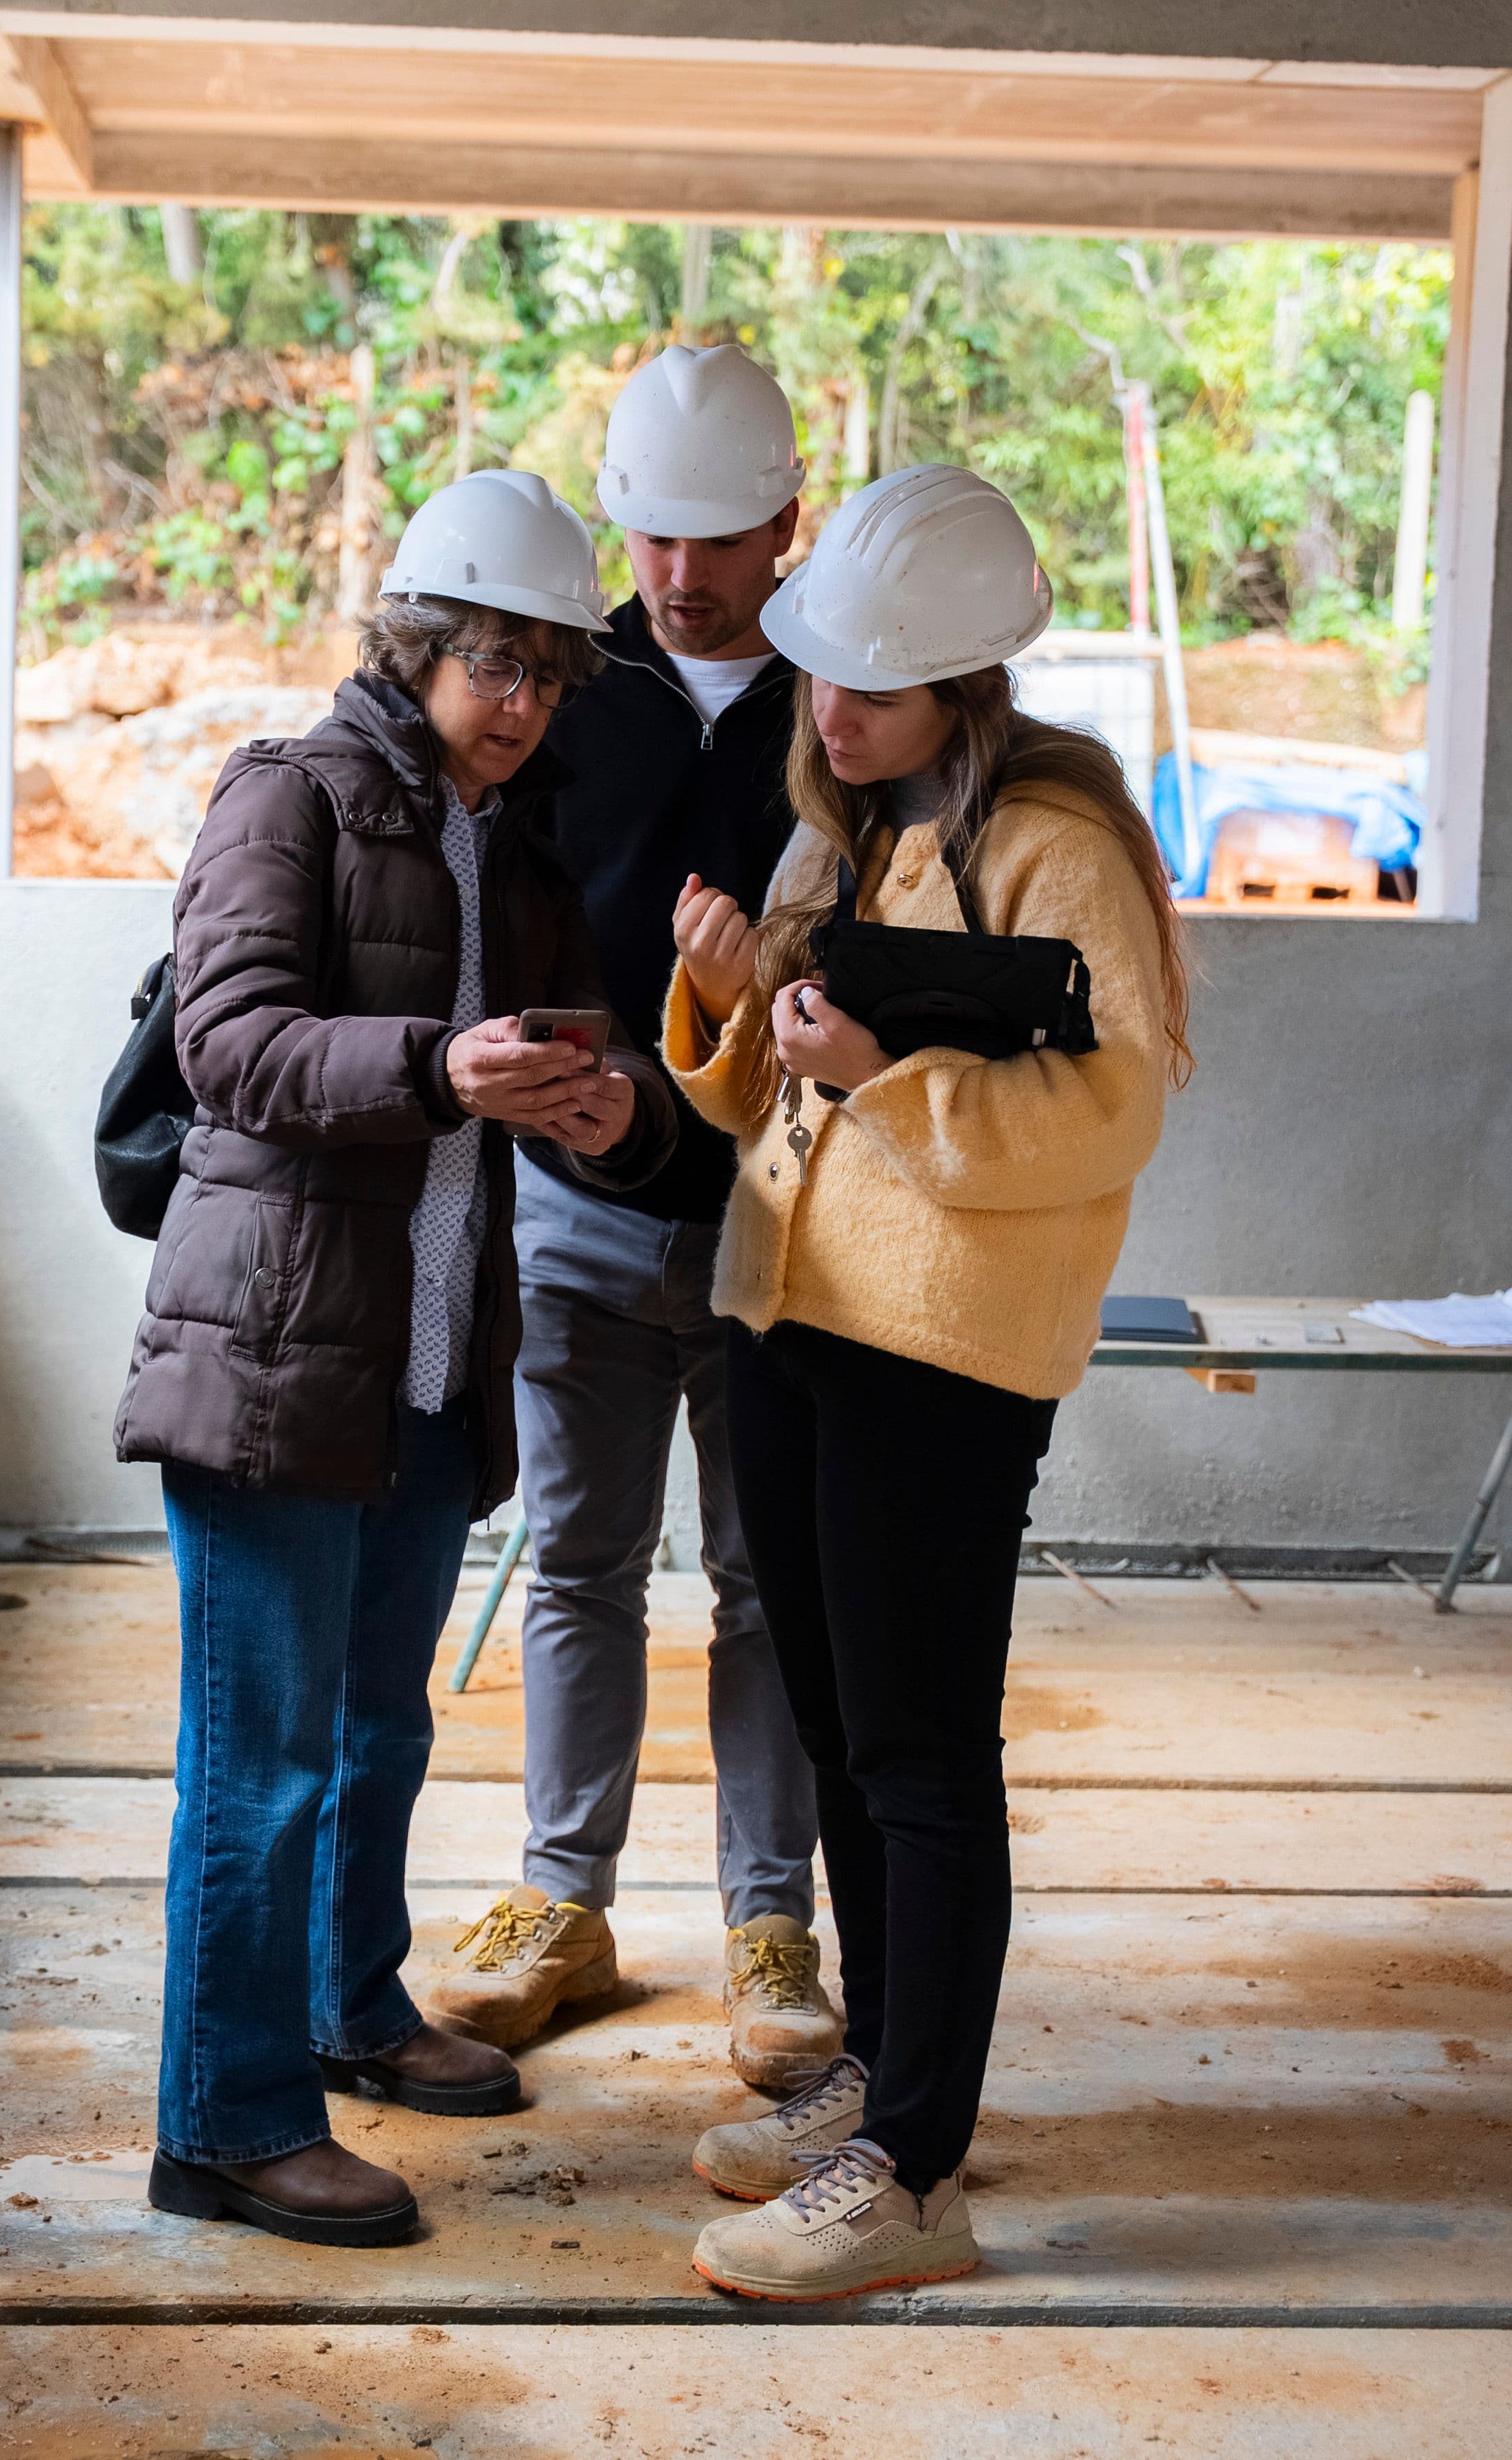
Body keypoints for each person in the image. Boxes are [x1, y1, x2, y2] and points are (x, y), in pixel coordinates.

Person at [115, 468, 676, 2251]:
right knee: (261, 1758)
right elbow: (231, 1047)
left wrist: (605, 1107)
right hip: (280, 1354)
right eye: (492, 665)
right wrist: (440, 1072)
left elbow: (571, 1065)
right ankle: (225, 2120)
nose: (518, 704)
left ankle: (354, 2010)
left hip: (427, 1366)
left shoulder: (510, 840)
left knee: (376, 1729)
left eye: (547, 674)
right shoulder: (287, 796)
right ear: (417, 642)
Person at [663, 464, 1189, 2301]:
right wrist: (730, 1008)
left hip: (940, 1356)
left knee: (921, 1757)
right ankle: (882, 2093)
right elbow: (763, 1100)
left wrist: (888, 1067)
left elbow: (1114, 1104)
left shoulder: (1060, 844)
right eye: (823, 680)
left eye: (872, 691)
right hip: (794, 1323)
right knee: (842, 1734)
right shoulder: (850, 828)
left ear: (969, 685)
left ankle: (918, 2175)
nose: (832, 714)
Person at [430, 346, 833, 2092]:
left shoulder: (848, 701)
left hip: (780, 1218)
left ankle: (771, 1924)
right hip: (574, 1204)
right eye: (655, 532)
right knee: (577, 1564)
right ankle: (563, 1898)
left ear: (788, 527)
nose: (681, 571)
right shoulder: (559, 692)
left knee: (768, 1581)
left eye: (721, 535)